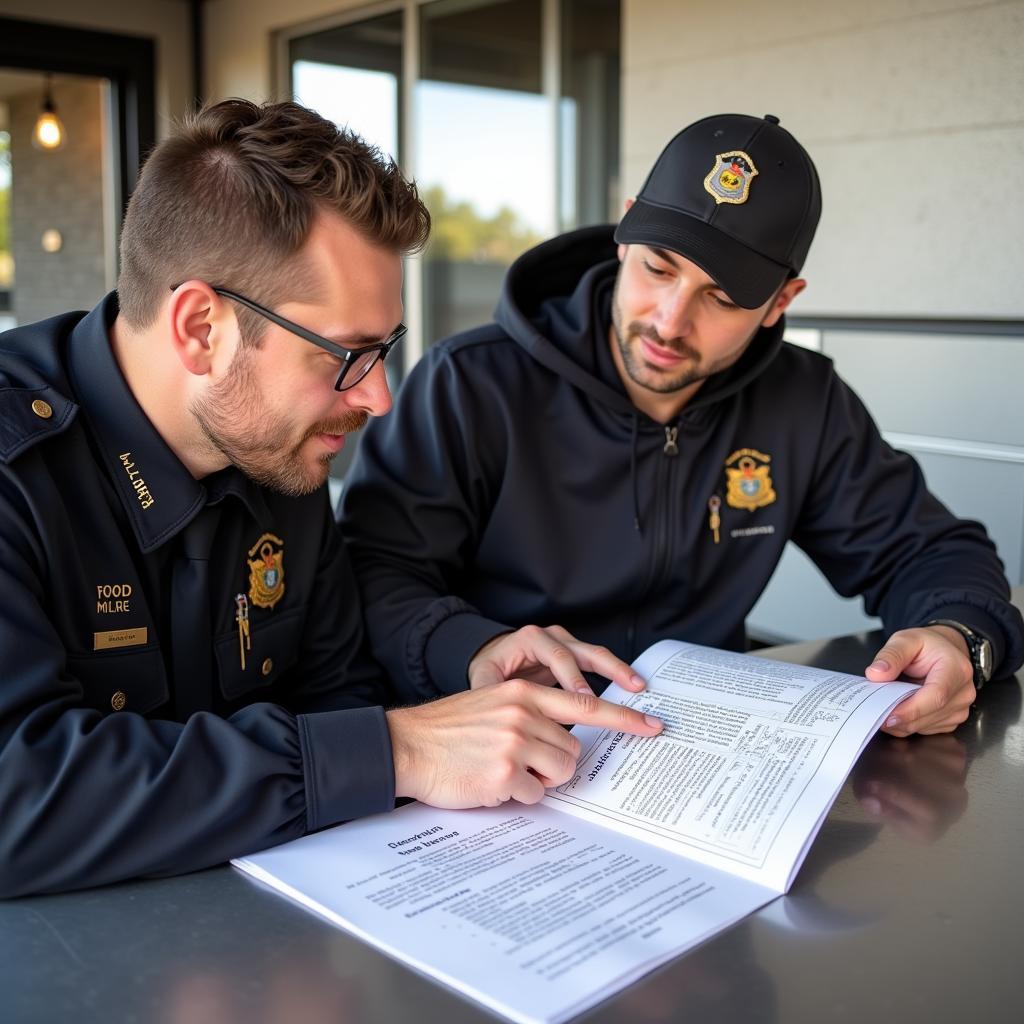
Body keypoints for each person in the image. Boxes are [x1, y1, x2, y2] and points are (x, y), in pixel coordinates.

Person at [0, 99, 662, 899]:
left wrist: (460, 667)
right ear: (201, 327)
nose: (380, 397)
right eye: (348, 355)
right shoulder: (16, 470)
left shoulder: (280, 450)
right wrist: (394, 753)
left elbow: (337, 686)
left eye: (384, 352)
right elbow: (16, 795)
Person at [342, 112, 1024, 737]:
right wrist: (475, 647)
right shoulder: (470, 384)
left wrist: (960, 637)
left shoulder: (804, 403)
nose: (669, 321)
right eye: (658, 268)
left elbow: (929, 550)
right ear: (625, 229)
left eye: (721, 298)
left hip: (704, 756)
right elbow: (373, 574)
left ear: (779, 303)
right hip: (507, 743)